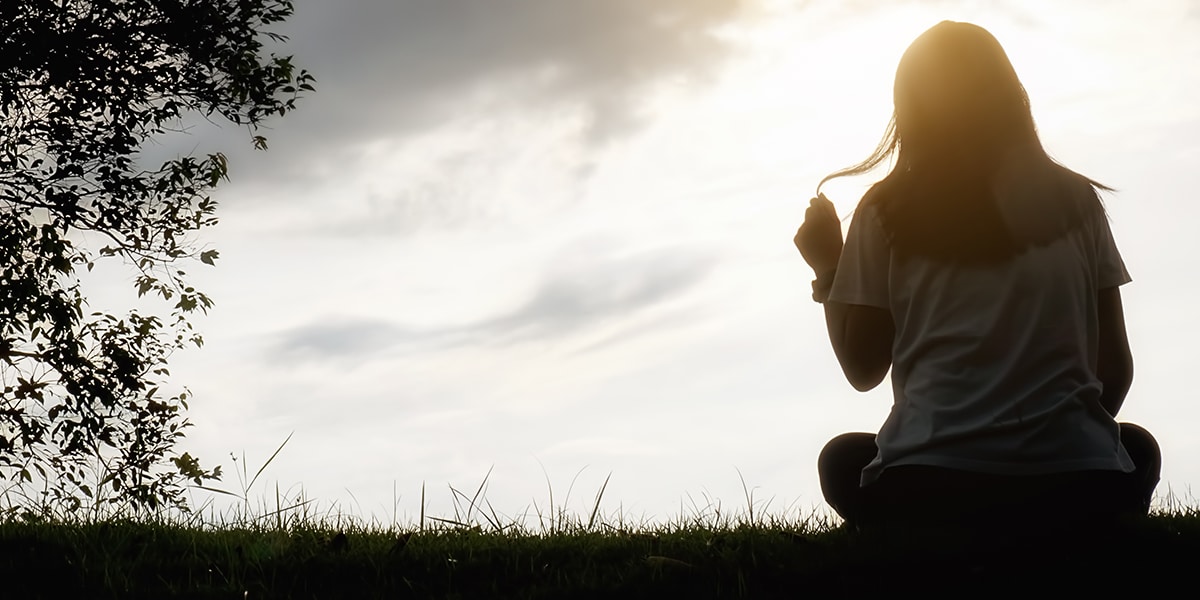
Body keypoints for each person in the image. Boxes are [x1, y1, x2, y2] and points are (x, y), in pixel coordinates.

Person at [793, 21, 1161, 533]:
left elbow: (862, 369)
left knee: (841, 459)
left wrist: (827, 267)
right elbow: (1115, 370)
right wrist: (1060, 438)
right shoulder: (1076, 201)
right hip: (1079, 486)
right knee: (1137, 445)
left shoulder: (887, 211)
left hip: (933, 489)